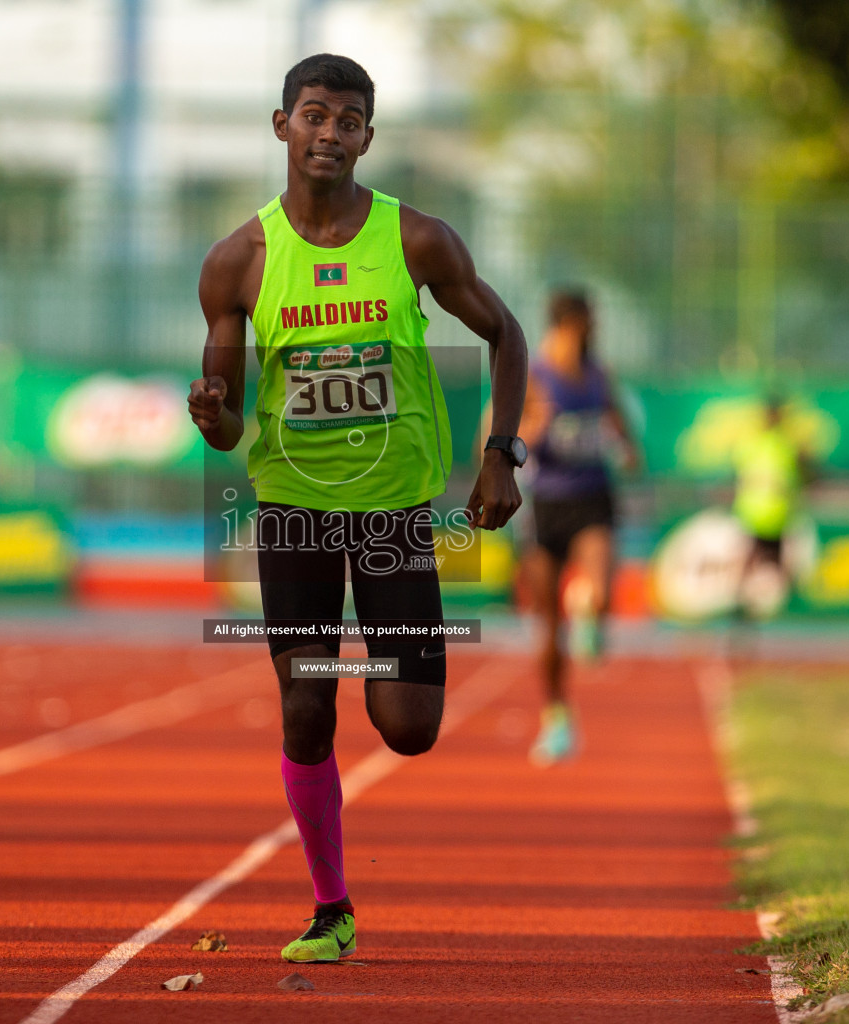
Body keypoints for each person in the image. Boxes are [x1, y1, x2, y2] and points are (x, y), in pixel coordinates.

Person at [187, 53, 528, 964]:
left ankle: (368, 669)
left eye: (347, 120)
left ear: (368, 137)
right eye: (313, 115)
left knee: (408, 727)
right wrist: (213, 415)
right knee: (305, 702)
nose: (328, 133)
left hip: (393, 514)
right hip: (293, 509)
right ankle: (329, 906)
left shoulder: (416, 241)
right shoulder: (238, 262)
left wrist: (500, 454)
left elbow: (506, 334)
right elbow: (221, 428)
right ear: (281, 126)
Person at [518, 289, 638, 766]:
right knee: (548, 628)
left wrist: (628, 448)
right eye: (590, 320)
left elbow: (619, 422)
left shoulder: (599, 376)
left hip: (593, 497)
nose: (597, 328)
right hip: (548, 503)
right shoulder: (535, 377)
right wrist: (537, 427)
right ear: (568, 323)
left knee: (603, 584)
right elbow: (503, 439)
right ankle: (557, 720)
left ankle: (592, 609)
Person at [732, 393, 811, 617]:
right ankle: (763, 603)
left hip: (763, 513)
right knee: (771, 558)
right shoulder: (785, 444)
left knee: (766, 559)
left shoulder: (762, 443)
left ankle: (747, 601)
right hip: (768, 513)